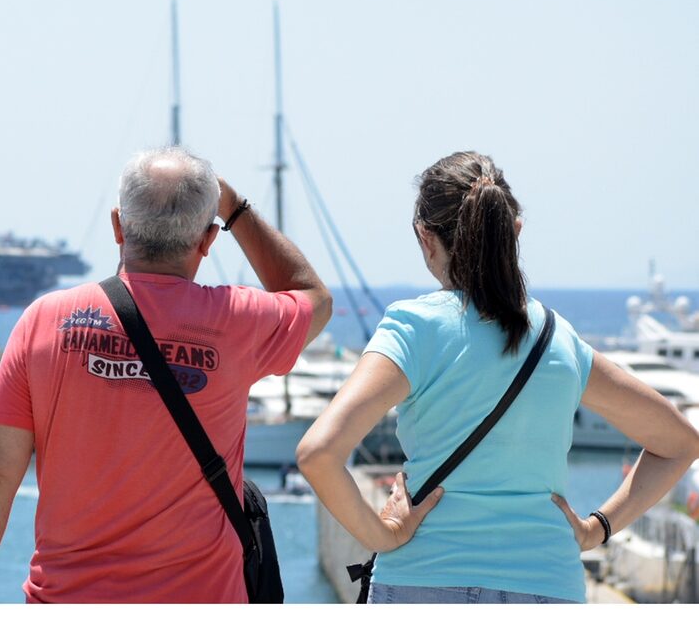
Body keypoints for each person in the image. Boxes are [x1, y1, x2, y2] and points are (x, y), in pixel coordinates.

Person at [296, 150, 699, 604]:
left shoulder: (414, 328)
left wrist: (384, 535)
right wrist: (596, 528)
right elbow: (680, 442)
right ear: (516, 232)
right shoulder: (557, 339)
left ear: (424, 237)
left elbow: (318, 453)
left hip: (423, 582)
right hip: (548, 588)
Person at [0, 146, 332, 603]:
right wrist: (234, 208)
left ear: (118, 226)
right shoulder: (237, 319)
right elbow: (313, 297)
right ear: (208, 241)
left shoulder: (45, 320)